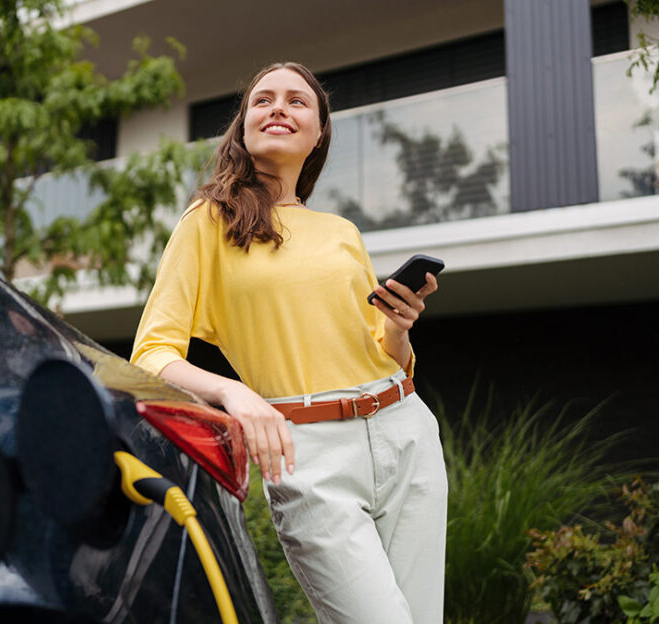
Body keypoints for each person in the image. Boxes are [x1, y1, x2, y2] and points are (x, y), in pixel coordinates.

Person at [130, 61, 447, 623]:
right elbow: (152, 355)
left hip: (405, 431)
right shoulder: (208, 223)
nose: (278, 107)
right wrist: (237, 395)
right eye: (263, 100)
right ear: (245, 127)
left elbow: (385, 355)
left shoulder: (342, 231)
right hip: (309, 455)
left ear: (319, 132)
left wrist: (398, 327)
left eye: (297, 101)